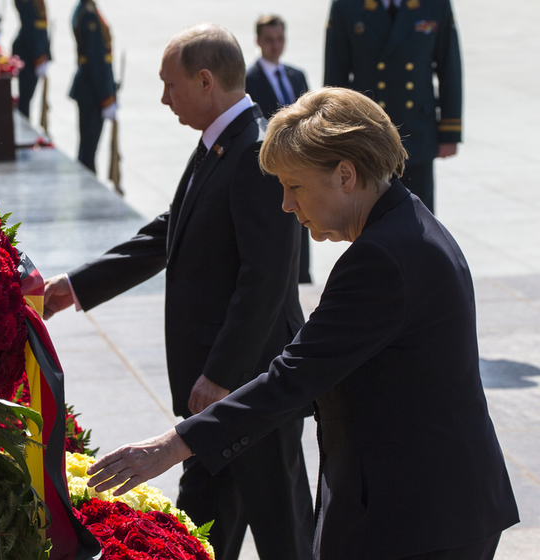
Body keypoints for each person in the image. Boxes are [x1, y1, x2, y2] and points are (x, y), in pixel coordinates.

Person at [85, 87, 520, 560]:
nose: (288, 206)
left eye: (294, 186)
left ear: (345, 176)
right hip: (436, 507)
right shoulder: (407, 224)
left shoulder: (379, 258)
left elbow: (294, 376)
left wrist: (172, 446)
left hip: (416, 520)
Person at [46, 24, 314, 560]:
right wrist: (76, 287)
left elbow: (265, 278)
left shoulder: (255, 151)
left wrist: (219, 373)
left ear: (206, 80)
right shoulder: (221, 144)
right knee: (201, 528)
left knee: (283, 530)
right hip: (215, 391)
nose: (164, 98)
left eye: (170, 84)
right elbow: (170, 231)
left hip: (248, 385)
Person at [324, 0, 462, 214]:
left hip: (416, 130)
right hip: (368, 135)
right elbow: (335, 75)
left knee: (420, 218)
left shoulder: (435, 4)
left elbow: (449, 67)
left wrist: (450, 131)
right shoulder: (346, 5)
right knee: (372, 218)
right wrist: (335, 134)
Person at [245, 13, 312, 283]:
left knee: (304, 223)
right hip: (271, 171)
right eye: (269, 39)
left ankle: (303, 275)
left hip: (301, 169)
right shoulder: (249, 80)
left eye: (280, 38)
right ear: (259, 41)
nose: (276, 45)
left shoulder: (297, 76)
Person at [69, 0, 117, 173]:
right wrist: (106, 97)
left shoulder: (85, 9)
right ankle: (87, 187)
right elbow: (96, 60)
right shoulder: (88, 13)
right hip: (93, 91)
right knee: (88, 151)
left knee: (87, 148)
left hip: (89, 89)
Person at [13, 0, 51, 119]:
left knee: (27, 97)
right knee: (25, 99)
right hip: (29, 54)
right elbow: (30, 26)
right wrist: (38, 56)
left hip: (34, 52)